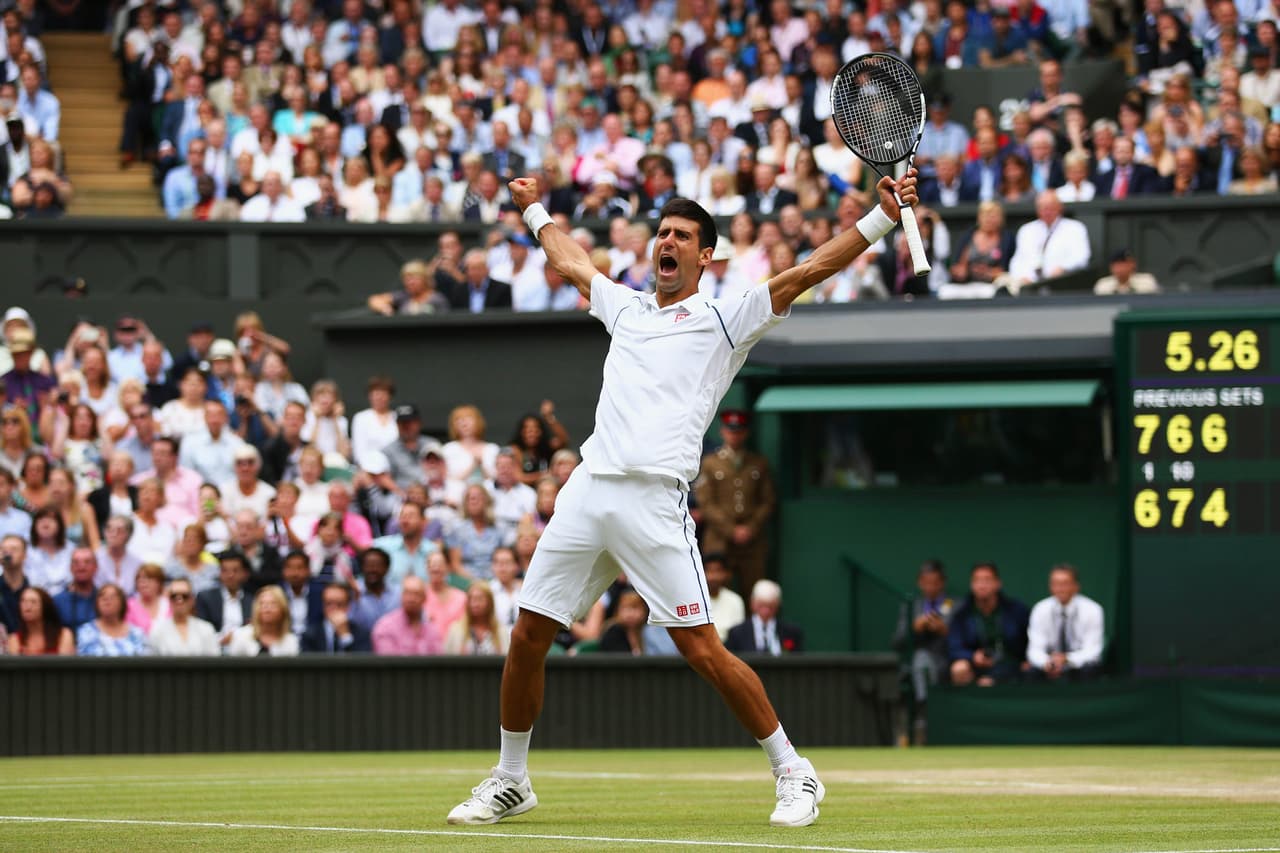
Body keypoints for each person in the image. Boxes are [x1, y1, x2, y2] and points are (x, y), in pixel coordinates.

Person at [446, 168, 917, 828]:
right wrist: (532, 212)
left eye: (682, 235)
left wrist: (881, 220)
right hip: (588, 490)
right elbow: (572, 260)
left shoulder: (728, 316)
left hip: (654, 503)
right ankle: (511, 778)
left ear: (704, 255)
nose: (666, 241)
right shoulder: (627, 307)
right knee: (528, 634)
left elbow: (808, 269)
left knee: (701, 648)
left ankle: (794, 769)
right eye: (662, 231)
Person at [695, 410, 776, 596]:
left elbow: (768, 500)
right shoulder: (710, 463)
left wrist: (751, 527)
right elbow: (705, 502)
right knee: (717, 590)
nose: (734, 435)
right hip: (719, 538)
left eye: (739, 430)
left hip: (752, 541)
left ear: (746, 433)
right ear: (723, 432)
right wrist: (731, 530)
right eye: (731, 430)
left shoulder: (758, 463)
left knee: (753, 589)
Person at [892, 560, 954, 741]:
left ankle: (925, 716)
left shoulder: (954, 605)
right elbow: (897, 641)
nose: (930, 587)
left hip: (946, 661)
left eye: (935, 582)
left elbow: (962, 638)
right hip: (914, 665)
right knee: (920, 659)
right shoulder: (911, 607)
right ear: (920, 582)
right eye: (926, 582)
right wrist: (914, 628)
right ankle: (923, 713)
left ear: (942, 583)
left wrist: (944, 630)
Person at [947, 562, 1030, 686]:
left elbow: (1031, 640)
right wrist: (973, 656)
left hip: (1010, 665)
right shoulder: (962, 614)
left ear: (998, 583)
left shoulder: (1016, 610)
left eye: (987, 580)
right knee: (959, 668)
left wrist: (1027, 659)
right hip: (976, 665)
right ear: (972, 585)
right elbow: (953, 647)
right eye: (977, 581)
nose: (982, 585)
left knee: (988, 683)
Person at [1001, 190, 1091, 293]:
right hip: (1029, 285)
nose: (1046, 211)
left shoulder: (1075, 228)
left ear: (1060, 208)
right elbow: (1017, 261)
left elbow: (1082, 258)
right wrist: (1023, 277)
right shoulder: (1026, 230)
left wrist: (1063, 268)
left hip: (1062, 284)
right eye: (1042, 208)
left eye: (1050, 207)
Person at [1026, 564, 1105, 680]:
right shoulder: (1040, 609)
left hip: (1079, 666)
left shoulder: (1093, 610)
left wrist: (1067, 659)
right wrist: (1047, 663)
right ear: (1050, 587)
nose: (1060, 588)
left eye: (1065, 584)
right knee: (1031, 673)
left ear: (1076, 586)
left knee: (1090, 671)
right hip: (1050, 664)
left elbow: (1093, 651)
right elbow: (1034, 649)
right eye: (1056, 584)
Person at [724, 580, 805, 655]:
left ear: (777, 605)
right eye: (761, 606)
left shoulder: (792, 632)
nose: (766, 611)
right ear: (752, 603)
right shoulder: (737, 633)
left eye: (770, 606)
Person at [372, 574, 444, 654]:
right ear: (401, 596)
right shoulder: (385, 627)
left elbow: (438, 662)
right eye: (407, 593)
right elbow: (388, 663)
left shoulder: (432, 630)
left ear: (424, 598)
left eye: (416, 594)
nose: (411, 599)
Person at [148, 577, 221, 655]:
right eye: (174, 596)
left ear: (192, 600)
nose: (179, 600)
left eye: (184, 596)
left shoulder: (206, 629)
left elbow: (214, 663)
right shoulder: (157, 630)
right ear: (169, 599)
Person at [196, 551, 254, 645]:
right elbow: (201, 631)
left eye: (235, 570)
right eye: (224, 570)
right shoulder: (206, 598)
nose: (230, 575)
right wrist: (222, 639)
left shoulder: (252, 601)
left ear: (245, 573)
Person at [76, 583, 149, 656]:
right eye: (102, 597)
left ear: (122, 603)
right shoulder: (86, 632)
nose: (107, 600)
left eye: (112, 597)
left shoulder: (137, 633)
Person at [227, 585, 301, 656]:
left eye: (273, 604)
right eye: (262, 604)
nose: (267, 609)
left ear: (283, 609)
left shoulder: (291, 641)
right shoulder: (241, 635)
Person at [301, 581, 373, 653]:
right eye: (328, 603)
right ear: (323, 605)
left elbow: (362, 662)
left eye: (339, 604)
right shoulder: (309, 635)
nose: (333, 608)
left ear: (348, 606)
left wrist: (346, 637)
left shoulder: (362, 634)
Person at [444, 582, 511, 655]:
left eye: (479, 599)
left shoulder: (501, 631)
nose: (474, 604)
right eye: (471, 599)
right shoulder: (456, 630)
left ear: (490, 603)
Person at [6, 585, 74, 655]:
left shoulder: (64, 635)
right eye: (23, 601)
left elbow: (64, 664)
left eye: (33, 602)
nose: (28, 606)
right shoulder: (14, 640)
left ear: (45, 607)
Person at [352, 547, 400, 633]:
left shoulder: (399, 593)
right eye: (368, 565)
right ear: (362, 568)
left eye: (377, 565)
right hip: (361, 644)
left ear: (387, 568)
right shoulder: (352, 590)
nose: (372, 570)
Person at [53, 546, 99, 632]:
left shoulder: (103, 599)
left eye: (87, 562)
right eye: (76, 562)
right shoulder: (57, 602)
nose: (81, 567)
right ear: (70, 568)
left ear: (96, 567)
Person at [702, 552, 745, 643]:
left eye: (718, 571)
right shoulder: (695, 600)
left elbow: (738, 635)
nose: (713, 576)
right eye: (709, 571)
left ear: (726, 574)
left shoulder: (735, 600)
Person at [1094, 248, 1162, 295]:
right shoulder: (1103, 284)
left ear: (1133, 264)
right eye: (1118, 264)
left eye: (1125, 263)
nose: (1121, 267)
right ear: (1111, 267)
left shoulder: (1147, 280)